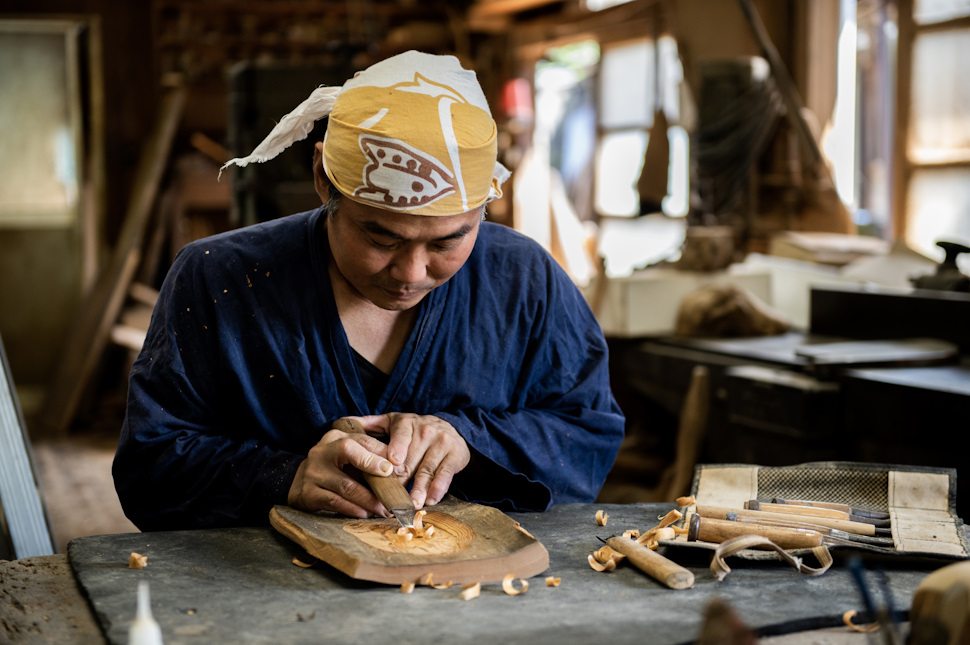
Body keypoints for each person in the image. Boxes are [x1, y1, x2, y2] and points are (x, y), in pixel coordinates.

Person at [113, 50, 625, 531]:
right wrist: (282, 477)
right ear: (322, 178)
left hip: (476, 595)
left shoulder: (523, 279)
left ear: (482, 211)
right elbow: (149, 462)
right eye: (381, 237)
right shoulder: (219, 279)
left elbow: (587, 430)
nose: (411, 272)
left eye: (450, 240)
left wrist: (470, 439)